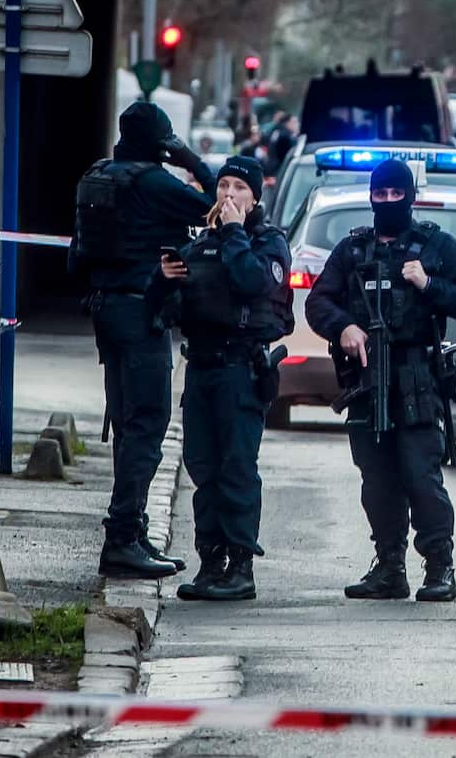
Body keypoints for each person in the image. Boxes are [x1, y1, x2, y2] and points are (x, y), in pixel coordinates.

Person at [305, 159, 456, 602]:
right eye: (380, 194)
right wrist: (344, 327)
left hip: (416, 379)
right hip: (367, 380)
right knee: (377, 479)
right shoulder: (353, 250)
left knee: (421, 475)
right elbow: (317, 302)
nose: (387, 201)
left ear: (410, 196)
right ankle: (389, 566)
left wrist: (429, 285)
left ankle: (440, 567)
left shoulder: (435, 246)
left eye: (395, 194)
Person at [69, 101, 214, 579]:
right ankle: (121, 538)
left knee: (127, 426)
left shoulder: (97, 176)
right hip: (140, 311)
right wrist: (191, 161)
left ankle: (132, 533)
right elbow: (218, 209)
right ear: (162, 143)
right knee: (147, 427)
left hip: (106, 309)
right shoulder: (153, 182)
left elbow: (77, 251)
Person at [149, 157, 292, 602]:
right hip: (201, 368)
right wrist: (163, 280)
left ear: (254, 197)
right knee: (203, 467)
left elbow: (252, 282)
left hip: (240, 369)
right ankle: (211, 561)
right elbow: (169, 309)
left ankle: (240, 566)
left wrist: (234, 232)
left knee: (236, 468)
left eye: (239, 188)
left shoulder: (267, 242)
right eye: (224, 185)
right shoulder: (204, 242)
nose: (228, 194)